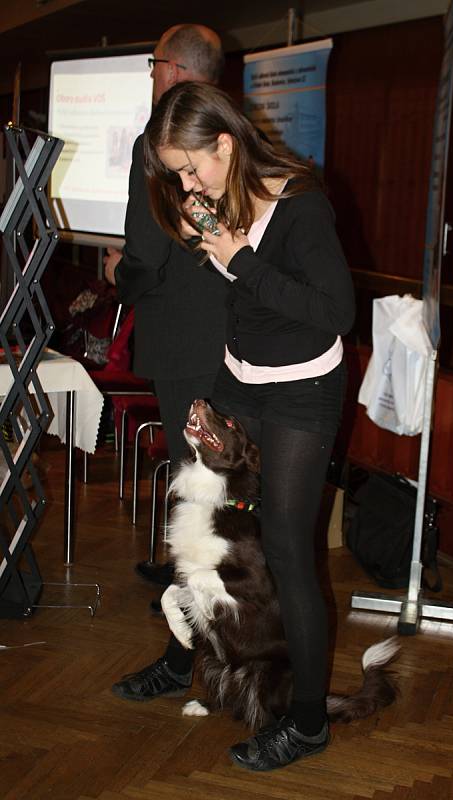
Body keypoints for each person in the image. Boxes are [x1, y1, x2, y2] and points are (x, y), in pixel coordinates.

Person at [139, 81, 356, 771]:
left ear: (225, 143)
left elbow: (335, 311)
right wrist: (211, 244)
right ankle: (185, 660)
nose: (186, 181)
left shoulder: (302, 205)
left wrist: (241, 262)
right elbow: (248, 294)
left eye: (190, 165)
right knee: (208, 522)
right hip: (243, 374)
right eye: (175, 171)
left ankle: (309, 721)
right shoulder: (224, 197)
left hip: (302, 391)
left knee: (289, 554)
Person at [107, 28, 227, 699]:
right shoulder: (228, 136)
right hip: (234, 343)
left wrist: (118, 276)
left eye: (152, 62)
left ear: (173, 69)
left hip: (184, 345)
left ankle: (182, 661)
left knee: (196, 502)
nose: (150, 74)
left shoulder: (158, 141)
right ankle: (207, 633)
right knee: (211, 497)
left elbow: (144, 257)